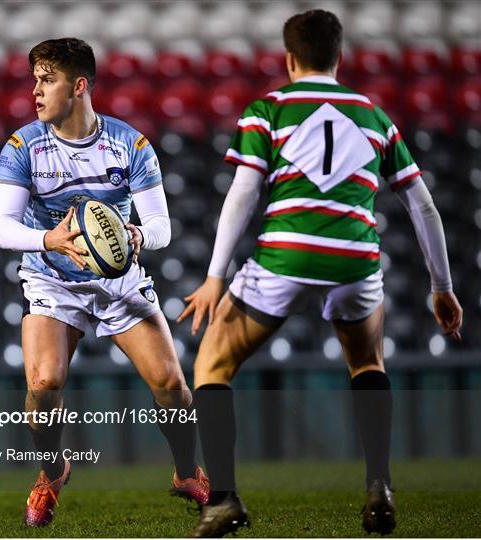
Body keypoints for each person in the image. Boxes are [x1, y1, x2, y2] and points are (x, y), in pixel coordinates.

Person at [178, 9, 463, 538]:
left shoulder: (270, 109)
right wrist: (441, 287)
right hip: (356, 258)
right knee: (367, 362)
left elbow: (244, 190)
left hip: (285, 255)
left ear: (288, 59)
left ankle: (222, 499)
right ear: (340, 57)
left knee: (212, 366)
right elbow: (423, 208)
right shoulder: (376, 116)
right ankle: (379, 484)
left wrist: (216, 274)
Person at [0, 37, 209, 527]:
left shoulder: (129, 144)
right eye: (35, 80)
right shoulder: (22, 147)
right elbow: (2, 228)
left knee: (173, 385)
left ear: (80, 86)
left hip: (119, 281)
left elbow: (161, 227)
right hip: (52, 280)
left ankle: (184, 474)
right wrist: (51, 239)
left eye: (48, 80)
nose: (36, 91)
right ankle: (51, 473)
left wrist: (135, 233)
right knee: (44, 383)